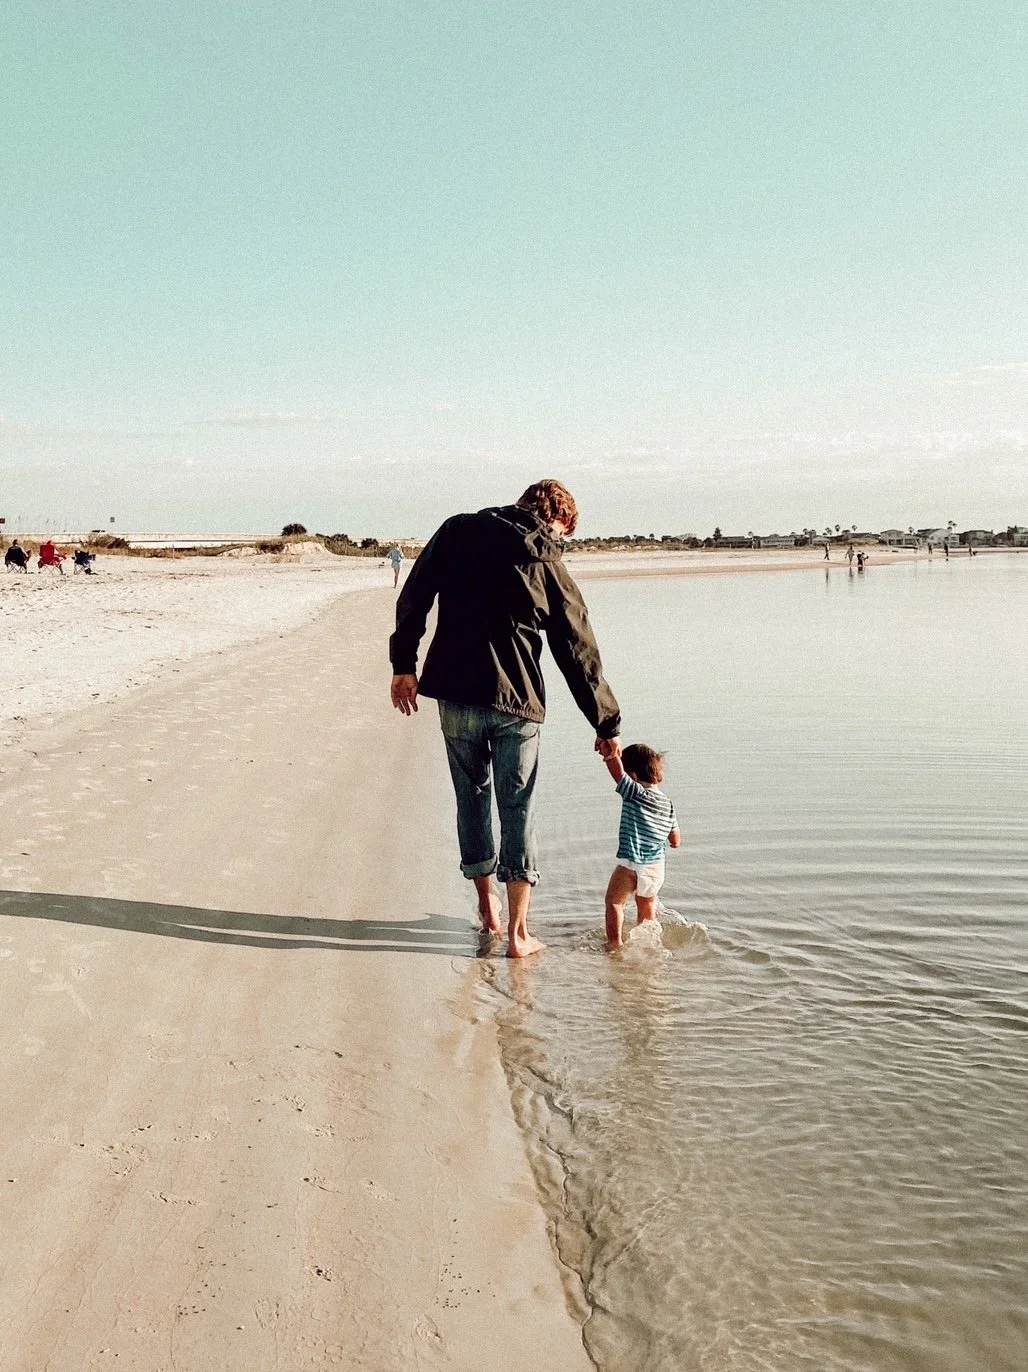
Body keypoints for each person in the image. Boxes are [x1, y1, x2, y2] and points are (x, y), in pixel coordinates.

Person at [389, 479, 621, 958]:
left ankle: (487, 909)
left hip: (454, 694)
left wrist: (403, 665)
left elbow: (414, 597)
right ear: (557, 519)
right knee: (518, 808)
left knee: (471, 799)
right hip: (517, 705)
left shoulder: (456, 531)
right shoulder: (547, 561)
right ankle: (518, 933)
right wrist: (606, 724)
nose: (562, 541)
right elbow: (577, 651)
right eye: (565, 532)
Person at [601, 743, 681, 950]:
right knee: (647, 908)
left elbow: (616, 772)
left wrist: (609, 751)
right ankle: (648, 946)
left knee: (614, 903)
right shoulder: (668, 804)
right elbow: (675, 841)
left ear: (633, 776)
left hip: (632, 863)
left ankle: (614, 944)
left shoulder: (636, 794)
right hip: (656, 868)